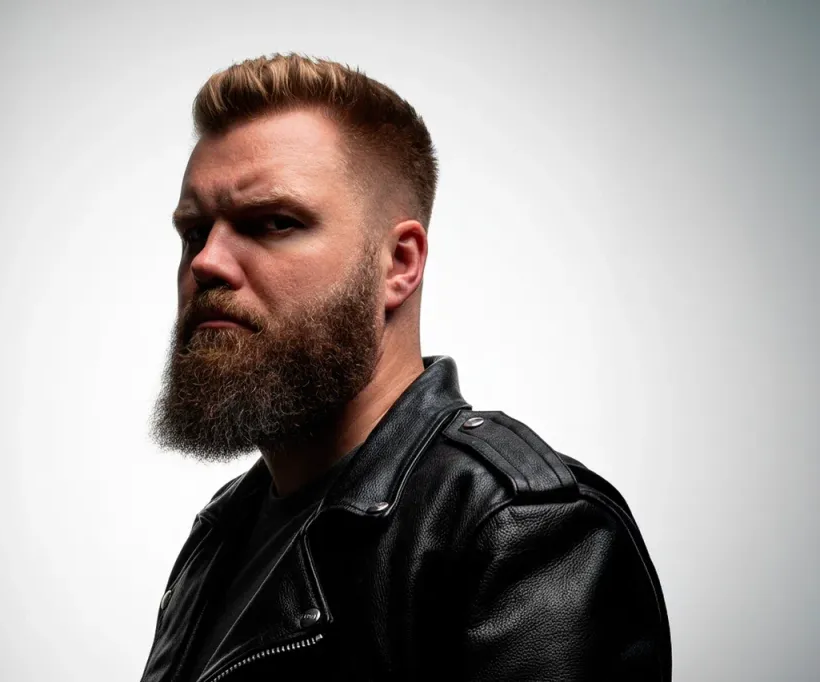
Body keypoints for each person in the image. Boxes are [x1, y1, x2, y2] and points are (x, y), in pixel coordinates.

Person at [143, 53, 670, 682]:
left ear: (398, 263)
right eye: (193, 232)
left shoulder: (520, 531)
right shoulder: (222, 534)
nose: (206, 262)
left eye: (273, 223)